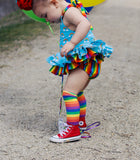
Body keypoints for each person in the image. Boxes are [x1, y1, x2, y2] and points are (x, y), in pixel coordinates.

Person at [17, 0, 113, 143]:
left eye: (45, 15)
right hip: (85, 60)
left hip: (85, 60)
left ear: (54, 3)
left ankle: (73, 129)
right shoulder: (66, 11)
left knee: (69, 93)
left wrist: (72, 42)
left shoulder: (69, 12)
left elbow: (85, 23)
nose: (47, 20)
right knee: (77, 92)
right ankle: (80, 123)